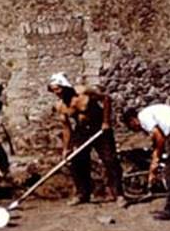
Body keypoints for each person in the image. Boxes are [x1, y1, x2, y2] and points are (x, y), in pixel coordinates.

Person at [46, 73, 125, 206]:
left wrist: (106, 122)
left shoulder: (84, 92)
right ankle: (83, 193)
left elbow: (106, 99)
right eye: (53, 90)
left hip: (99, 127)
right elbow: (67, 129)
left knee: (109, 160)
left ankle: (119, 194)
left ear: (64, 86)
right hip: (82, 131)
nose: (56, 93)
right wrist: (66, 148)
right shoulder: (61, 106)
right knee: (76, 160)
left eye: (58, 89)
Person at [122, 104, 170, 220]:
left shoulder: (143, 117)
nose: (137, 130)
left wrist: (156, 158)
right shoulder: (150, 112)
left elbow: (159, 137)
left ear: (132, 121)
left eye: (132, 128)